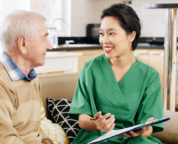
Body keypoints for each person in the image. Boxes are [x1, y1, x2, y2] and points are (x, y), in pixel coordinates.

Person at [69, 3, 164, 144]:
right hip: (98, 138)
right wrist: (97, 124)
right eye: (102, 33)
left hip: (133, 140)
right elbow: (82, 119)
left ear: (131, 35)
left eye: (111, 33)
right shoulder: (90, 68)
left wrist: (144, 131)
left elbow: (149, 126)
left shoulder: (150, 75)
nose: (104, 40)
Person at [0, 10, 54, 144]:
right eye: (44, 38)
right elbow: (3, 140)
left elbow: (36, 133)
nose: (50, 46)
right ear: (23, 44)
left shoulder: (32, 78)